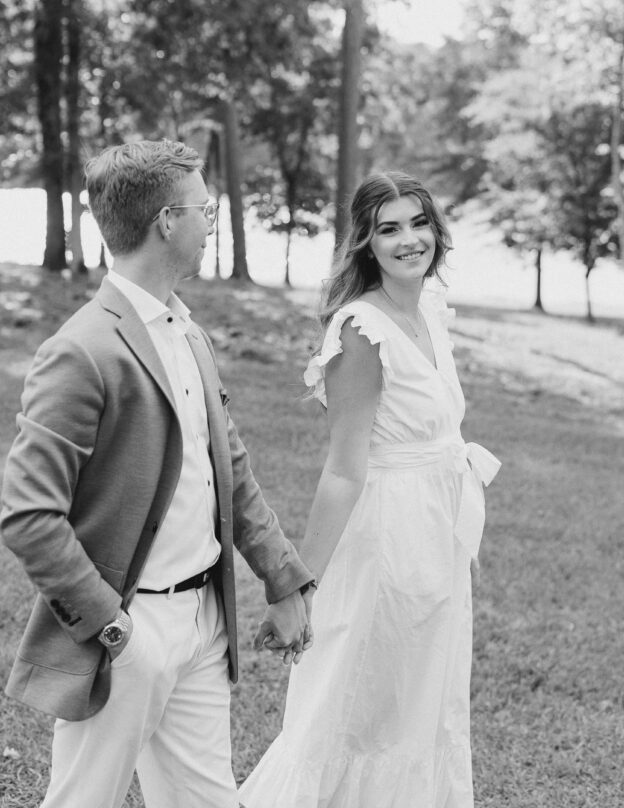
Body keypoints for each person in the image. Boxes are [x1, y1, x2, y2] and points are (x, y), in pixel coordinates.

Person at [0, 139, 315, 808]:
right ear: (168, 221)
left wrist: (281, 579)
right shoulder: (81, 349)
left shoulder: (188, 333)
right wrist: (112, 628)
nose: (211, 219)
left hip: (204, 621)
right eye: (205, 207)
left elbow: (229, 468)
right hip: (128, 632)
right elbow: (28, 514)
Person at [241, 170, 501, 808]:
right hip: (386, 538)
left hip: (436, 535)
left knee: (420, 707)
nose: (409, 239)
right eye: (389, 229)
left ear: (436, 231)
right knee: (352, 708)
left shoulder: (429, 310)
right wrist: (297, 588)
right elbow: (343, 469)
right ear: (365, 242)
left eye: (418, 223)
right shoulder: (361, 329)